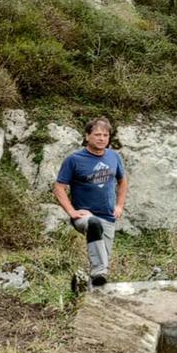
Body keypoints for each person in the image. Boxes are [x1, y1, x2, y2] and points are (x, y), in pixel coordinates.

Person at [53, 117, 128, 287]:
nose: (102, 138)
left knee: (101, 268)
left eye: (105, 135)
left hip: (108, 217)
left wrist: (120, 205)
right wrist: (72, 212)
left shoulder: (113, 157)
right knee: (94, 228)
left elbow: (122, 182)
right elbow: (59, 188)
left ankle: (83, 288)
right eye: (97, 135)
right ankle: (97, 274)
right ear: (87, 136)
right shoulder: (74, 160)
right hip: (85, 216)